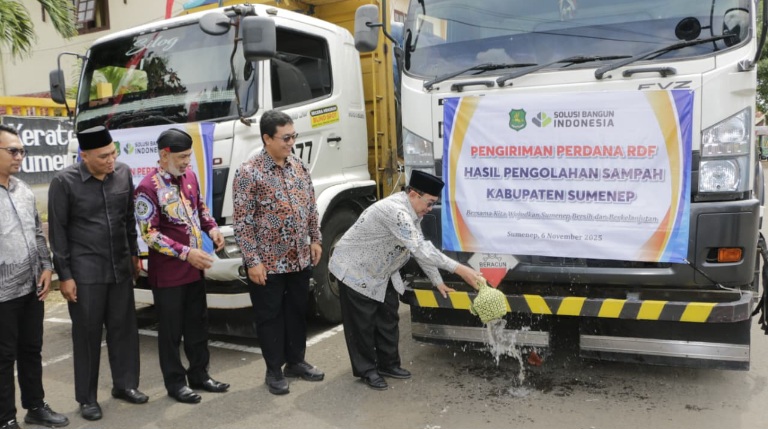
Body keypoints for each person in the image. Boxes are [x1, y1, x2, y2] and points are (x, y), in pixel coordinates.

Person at [329, 170, 483, 390]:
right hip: (356, 269)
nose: (429, 210)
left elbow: (419, 245)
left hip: (382, 269)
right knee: (362, 324)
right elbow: (420, 249)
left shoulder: (412, 213)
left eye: (433, 205)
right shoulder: (395, 211)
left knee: (388, 317)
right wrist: (460, 269)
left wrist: (437, 281)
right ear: (413, 194)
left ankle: (388, 364)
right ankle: (367, 370)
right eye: (429, 203)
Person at [48, 126, 147, 421]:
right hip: (85, 272)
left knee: (124, 329)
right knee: (88, 336)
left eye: (113, 153)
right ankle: (87, 398)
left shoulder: (123, 173)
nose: (110, 161)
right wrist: (65, 275)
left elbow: (128, 218)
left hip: (119, 267)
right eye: (103, 156)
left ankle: (125, 385)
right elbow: (58, 233)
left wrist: (135, 255)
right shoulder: (64, 182)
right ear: (85, 156)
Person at [134, 128, 229, 404]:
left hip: (195, 271)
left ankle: (200, 374)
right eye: (182, 156)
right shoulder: (147, 188)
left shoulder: (189, 177)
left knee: (198, 326)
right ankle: (175, 383)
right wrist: (186, 253)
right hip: (169, 275)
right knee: (171, 332)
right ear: (164, 155)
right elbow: (149, 235)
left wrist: (213, 229)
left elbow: (200, 208)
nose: (188, 161)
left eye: (189, 155)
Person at [232, 110, 324, 395]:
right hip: (268, 263)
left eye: (293, 136)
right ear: (267, 138)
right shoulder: (249, 173)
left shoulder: (298, 166)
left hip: (298, 257)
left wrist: (316, 239)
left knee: (297, 311)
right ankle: (273, 371)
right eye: (286, 138)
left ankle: (296, 361)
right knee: (269, 316)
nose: (291, 142)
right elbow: (243, 222)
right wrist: (252, 261)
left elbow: (310, 206)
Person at [0, 125, 69, 429]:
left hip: (31, 288)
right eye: (12, 151)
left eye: (22, 151)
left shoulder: (23, 189)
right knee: (3, 358)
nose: (19, 156)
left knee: (31, 349)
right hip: (2, 295)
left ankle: (35, 406)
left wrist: (46, 267)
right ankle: (5, 418)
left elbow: (37, 233)